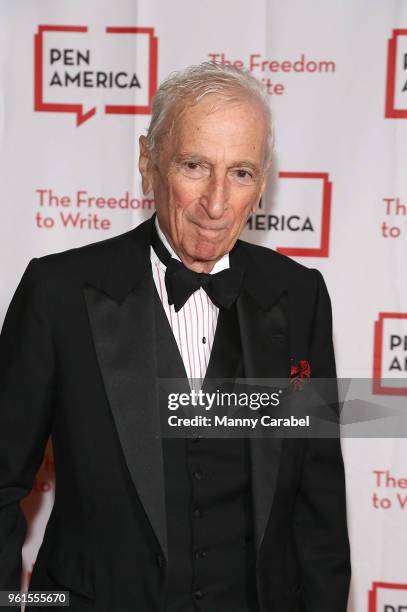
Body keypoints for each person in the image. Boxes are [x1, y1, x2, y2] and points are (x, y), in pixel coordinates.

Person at [0, 62, 350, 611]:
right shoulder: (58, 293)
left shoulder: (300, 296)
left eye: (241, 172)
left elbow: (319, 504)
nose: (216, 203)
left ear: (263, 181)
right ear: (148, 163)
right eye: (195, 166)